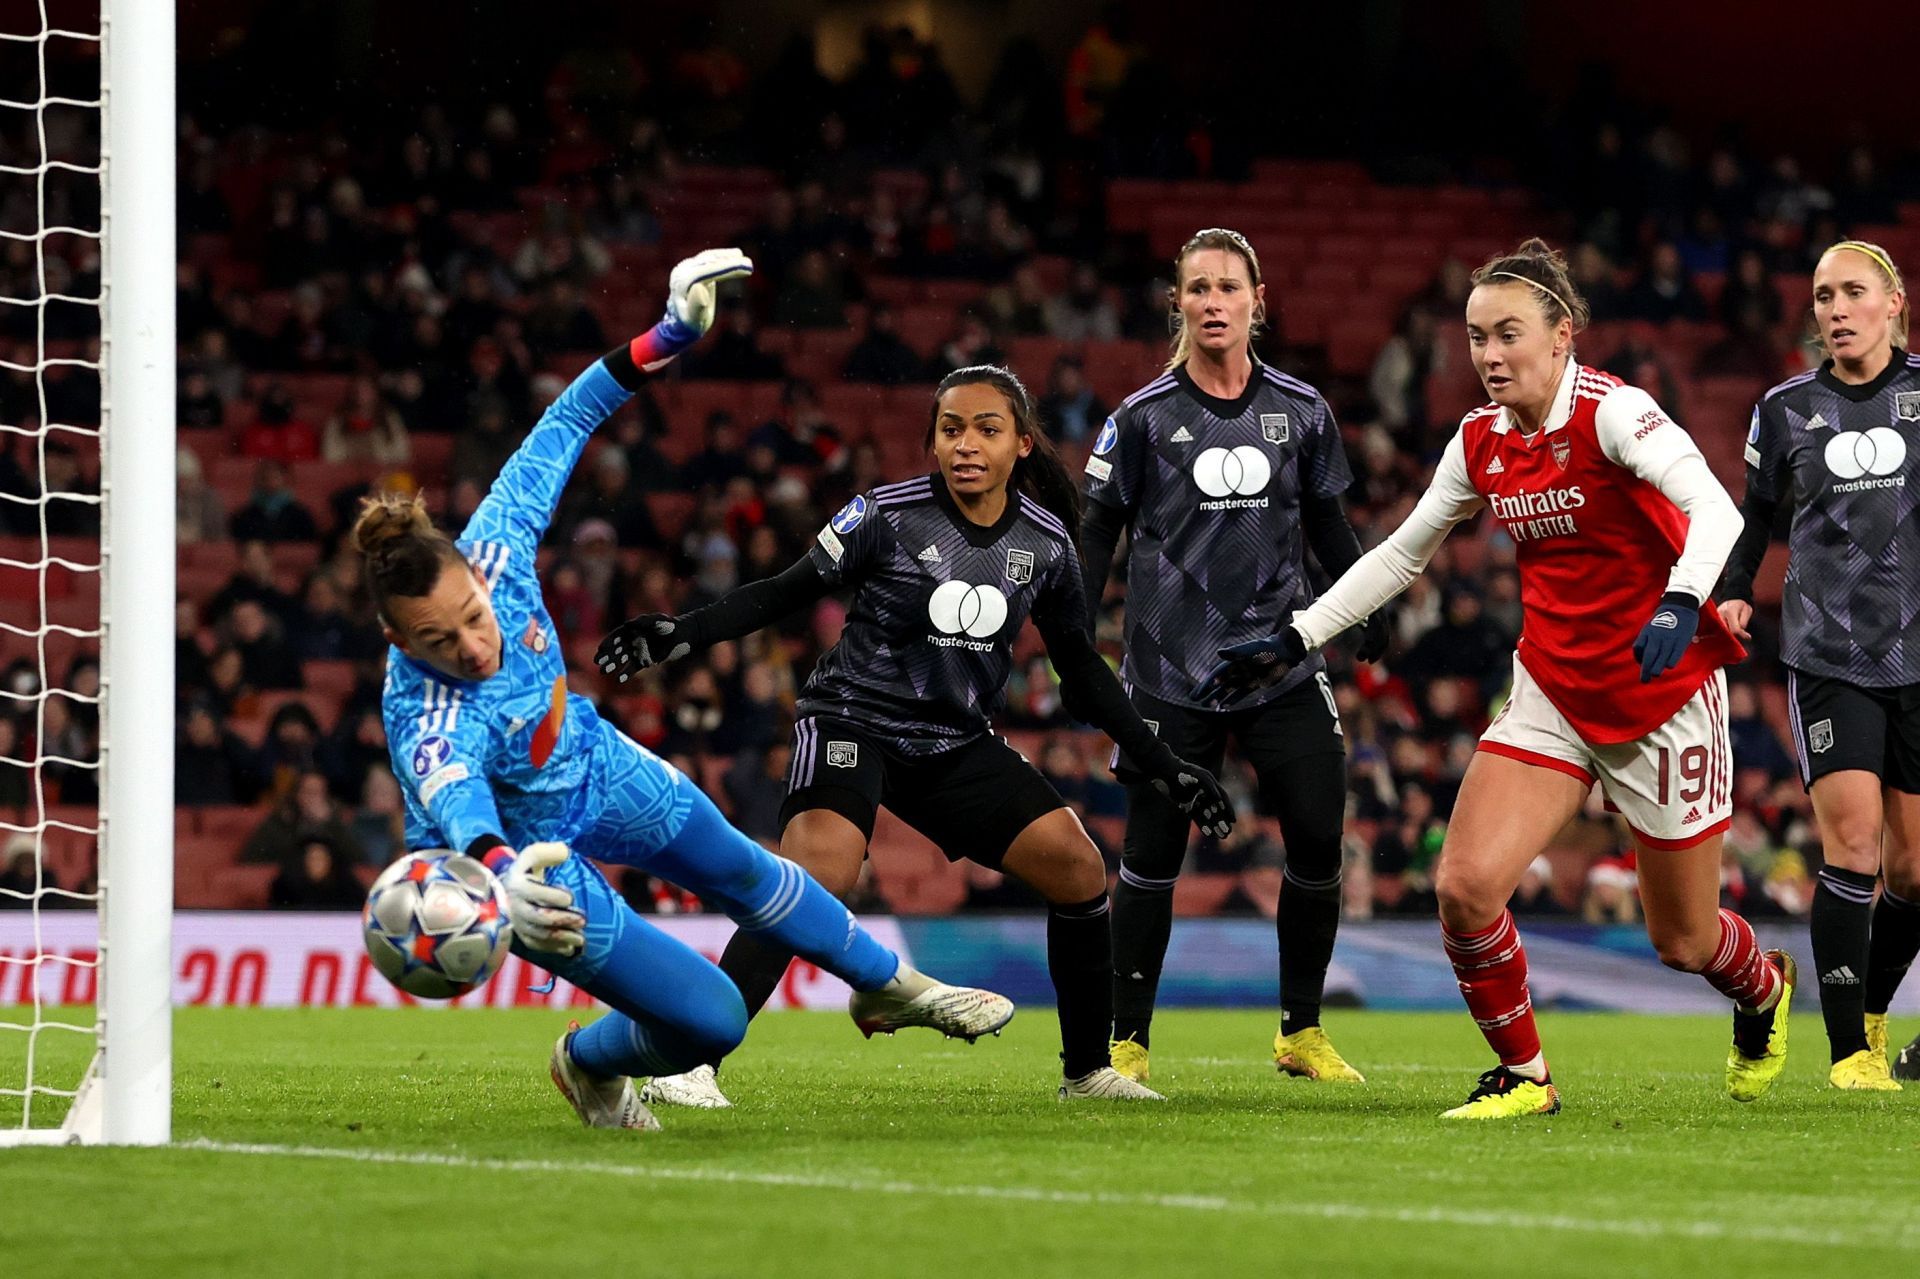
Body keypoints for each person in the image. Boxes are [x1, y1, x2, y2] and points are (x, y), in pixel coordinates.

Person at [364, 250, 1012, 1133]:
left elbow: (571, 413)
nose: (475, 645)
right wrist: (506, 878)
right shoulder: (420, 715)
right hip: (528, 862)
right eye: (442, 641)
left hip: (595, 761)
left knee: (749, 868)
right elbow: (459, 798)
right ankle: (587, 1059)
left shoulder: (498, 541)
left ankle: (898, 988)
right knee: (712, 1020)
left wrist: (668, 334)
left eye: (475, 616)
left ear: (474, 573)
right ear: (399, 641)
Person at [1196, 239, 1793, 1118]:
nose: (1489, 355)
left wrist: (1678, 601)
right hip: (1553, 690)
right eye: (1477, 337)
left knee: (1684, 938)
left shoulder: (1615, 415)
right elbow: (1403, 553)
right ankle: (1525, 1077)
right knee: (1466, 885)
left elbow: (1717, 508)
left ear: (1563, 338)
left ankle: (1764, 990)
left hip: (1662, 700)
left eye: (1508, 334)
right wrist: (1300, 634)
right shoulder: (1480, 440)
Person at [598, 364, 1233, 1106]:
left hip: (952, 739)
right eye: (951, 428)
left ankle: (1087, 1071)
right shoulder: (884, 514)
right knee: (814, 879)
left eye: (986, 429)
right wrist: (681, 633)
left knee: (1078, 866)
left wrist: (1166, 764)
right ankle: (690, 1060)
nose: (967, 444)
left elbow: (1083, 675)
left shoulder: (1048, 544)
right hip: (853, 720)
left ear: (1021, 444)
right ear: (932, 440)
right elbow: (784, 591)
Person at [1080, 227, 1386, 1086]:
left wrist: (1358, 608)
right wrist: (1073, 638)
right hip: (1169, 670)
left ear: (1259, 300)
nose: (1213, 302)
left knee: (1321, 832)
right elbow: (1098, 530)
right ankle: (1126, 1044)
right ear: (1177, 303)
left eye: (1228, 287)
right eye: (1197, 288)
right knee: (1151, 852)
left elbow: (1327, 525)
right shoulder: (1141, 418)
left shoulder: (1303, 410)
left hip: (1279, 662)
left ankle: (1302, 1030)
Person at [1718, 239, 1918, 1091]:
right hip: (1829, 653)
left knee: (1913, 870)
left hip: (1918, 654)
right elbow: (1756, 515)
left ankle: (1870, 1009)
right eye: (1823, 295)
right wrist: (1731, 591)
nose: (1834, 309)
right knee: (1854, 844)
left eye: (1852, 293)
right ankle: (1849, 1053)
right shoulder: (1787, 407)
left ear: (1893, 304)